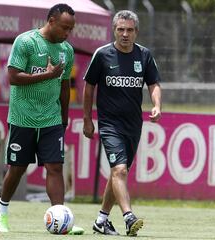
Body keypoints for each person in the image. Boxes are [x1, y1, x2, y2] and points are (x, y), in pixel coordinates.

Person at [0, 3, 83, 235]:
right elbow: (13, 77)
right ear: (51, 21)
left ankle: (61, 218)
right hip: (23, 117)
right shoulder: (25, 42)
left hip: (51, 119)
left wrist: (64, 119)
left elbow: (65, 86)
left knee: (55, 167)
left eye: (71, 29)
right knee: (17, 168)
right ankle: (1, 213)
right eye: (64, 27)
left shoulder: (67, 50)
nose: (67, 33)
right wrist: (48, 74)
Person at [83, 10, 162, 236]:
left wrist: (157, 105)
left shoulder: (144, 55)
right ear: (114, 30)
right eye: (120, 29)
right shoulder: (102, 54)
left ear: (136, 32)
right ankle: (128, 217)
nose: (125, 34)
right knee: (119, 169)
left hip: (133, 125)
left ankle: (101, 220)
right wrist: (87, 119)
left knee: (120, 172)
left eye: (129, 30)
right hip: (109, 124)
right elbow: (89, 87)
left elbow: (154, 83)